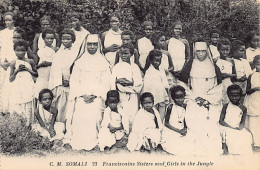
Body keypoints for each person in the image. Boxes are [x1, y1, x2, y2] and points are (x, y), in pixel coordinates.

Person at [65, 34, 111, 151]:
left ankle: (95, 140)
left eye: (94, 44)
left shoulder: (104, 62)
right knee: (79, 116)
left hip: (98, 96)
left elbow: (106, 83)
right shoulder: (79, 62)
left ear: (98, 45)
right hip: (81, 95)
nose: (92, 47)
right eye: (89, 44)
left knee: (95, 116)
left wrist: (94, 95)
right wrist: (83, 95)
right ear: (86, 45)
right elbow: (74, 81)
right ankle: (78, 141)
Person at [179, 40, 223, 156]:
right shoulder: (189, 65)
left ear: (207, 52)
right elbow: (182, 85)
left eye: (203, 51)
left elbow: (219, 87)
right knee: (193, 119)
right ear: (195, 52)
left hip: (210, 100)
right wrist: (194, 97)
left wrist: (207, 100)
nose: (201, 54)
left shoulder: (214, 67)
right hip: (194, 98)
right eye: (198, 51)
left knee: (210, 123)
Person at [48, 29, 78, 123]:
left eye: (68, 39)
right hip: (61, 84)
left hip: (73, 83)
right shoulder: (58, 53)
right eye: (63, 39)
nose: (65, 41)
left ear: (73, 40)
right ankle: (60, 125)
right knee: (61, 106)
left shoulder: (77, 52)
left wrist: (71, 80)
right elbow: (55, 69)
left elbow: (77, 67)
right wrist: (61, 80)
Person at [111, 43, 143, 124]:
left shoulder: (135, 67)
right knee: (121, 116)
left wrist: (130, 83)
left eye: (126, 53)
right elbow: (112, 81)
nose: (123, 56)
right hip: (120, 95)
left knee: (132, 116)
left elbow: (139, 83)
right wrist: (117, 82)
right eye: (121, 53)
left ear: (131, 54)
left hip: (132, 96)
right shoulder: (116, 67)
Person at [9, 40, 38, 126]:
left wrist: (28, 69)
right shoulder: (13, 63)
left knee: (28, 105)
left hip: (28, 86)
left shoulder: (30, 61)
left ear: (26, 51)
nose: (20, 53)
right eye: (18, 50)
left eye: (23, 50)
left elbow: (36, 74)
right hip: (18, 87)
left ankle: (28, 124)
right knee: (18, 104)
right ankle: (18, 125)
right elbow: (10, 79)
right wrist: (16, 71)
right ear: (14, 51)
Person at [219, 85, 253, 155]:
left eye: (237, 96)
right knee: (230, 135)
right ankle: (228, 151)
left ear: (240, 96)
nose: (234, 98)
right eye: (231, 96)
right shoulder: (225, 106)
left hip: (236, 127)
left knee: (245, 135)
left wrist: (240, 128)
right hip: (226, 126)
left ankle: (241, 153)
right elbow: (221, 120)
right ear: (228, 96)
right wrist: (230, 127)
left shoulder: (243, 108)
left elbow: (242, 122)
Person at [142, 49, 169, 121]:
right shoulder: (149, 72)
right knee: (154, 117)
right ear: (151, 61)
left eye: (159, 60)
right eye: (156, 60)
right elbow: (148, 87)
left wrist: (167, 94)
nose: (158, 62)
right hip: (154, 99)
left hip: (162, 97)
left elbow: (165, 84)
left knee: (162, 117)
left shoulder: (161, 69)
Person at [161, 86, 188, 155]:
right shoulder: (170, 107)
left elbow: (185, 119)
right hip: (171, 129)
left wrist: (184, 128)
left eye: (182, 97)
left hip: (180, 128)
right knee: (174, 146)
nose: (180, 100)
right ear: (173, 98)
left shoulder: (185, 106)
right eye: (177, 98)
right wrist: (178, 131)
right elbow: (166, 123)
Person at [0, 12, 16, 113]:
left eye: (9, 20)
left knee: (11, 84)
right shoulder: (1, 33)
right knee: (2, 83)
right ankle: (3, 108)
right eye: (6, 20)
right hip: (2, 58)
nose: (7, 22)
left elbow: (20, 47)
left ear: (13, 20)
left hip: (13, 57)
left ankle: (12, 109)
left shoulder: (17, 31)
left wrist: (12, 61)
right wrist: (1, 62)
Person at [34, 28, 56, 100]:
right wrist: (41, 65)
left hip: (51, 74)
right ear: (43, 38)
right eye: (48, 38)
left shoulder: (56, 50)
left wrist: (49, 63)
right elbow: (35, 65)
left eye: (52, 38)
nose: (50, 40)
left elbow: (58, 63)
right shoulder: (40, 50)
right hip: (42, 75)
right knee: (40, 92)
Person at [244, 55, 260, 150]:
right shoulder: (252, 75)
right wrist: (256, 89)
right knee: (253, 121)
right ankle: (254, 142)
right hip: (254, 100)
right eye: (258, 64)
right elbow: (247, 90)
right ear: (254, 65)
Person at [216, 38, 235, 104]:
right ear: (218, 50)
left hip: (228, 84)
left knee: (228, 102)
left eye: (227, 50)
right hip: (218, 84)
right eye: (222, 50)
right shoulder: (216, 61)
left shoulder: (231, 60)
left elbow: (235, 74)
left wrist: (227, 75)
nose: (225, 52)